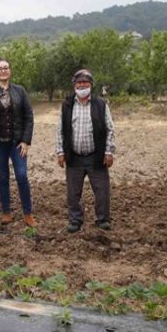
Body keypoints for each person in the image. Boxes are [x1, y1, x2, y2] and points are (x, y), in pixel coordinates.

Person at [55, 69, 116, 233]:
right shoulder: (67, 105)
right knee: (73, 192)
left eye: (85, 82)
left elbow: (110, 129)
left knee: (102, 190)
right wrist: (60, 152)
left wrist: (109, 152)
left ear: (91, 84)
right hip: (73, 156)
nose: (82, 85)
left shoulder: (100, 104)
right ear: (74, 85)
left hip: (96, 155)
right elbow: (60, 130)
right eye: (79, 82)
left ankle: (102, 219)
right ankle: (75, 220)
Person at [0, 58, 36, 227]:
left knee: (22, 176)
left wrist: (26, 141)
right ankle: (6, 212)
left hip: (17, 144)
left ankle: (27, 213)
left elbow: (28, 117)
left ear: (9, 71)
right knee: (3, 178)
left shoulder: (20, 91)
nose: (3, 71)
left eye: (6, 68)